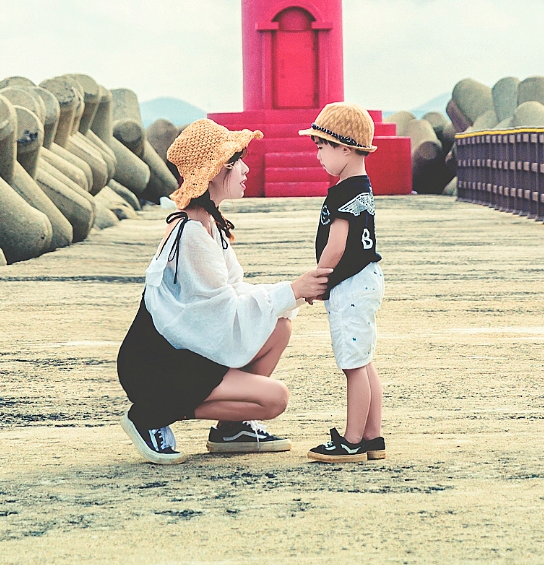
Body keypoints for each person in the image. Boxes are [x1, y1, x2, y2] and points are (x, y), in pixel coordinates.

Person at [116, 118, 332, 463]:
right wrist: (292, 290)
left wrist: (291, 294)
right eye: (235, 162)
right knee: (275, 399)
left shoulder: (208, 224)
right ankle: (150, 414)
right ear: (214, 172)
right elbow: (223, 315)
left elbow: (230, 296)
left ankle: (230, 428)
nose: (245, 169)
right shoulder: (190, 235)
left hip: (186, 350)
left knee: (280, 326)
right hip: (156, 367)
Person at [299, 103, 387, 464]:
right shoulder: (361, 187)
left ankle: (351, 441)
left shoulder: (342, 194)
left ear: (345, 149)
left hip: (350, 285)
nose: (318, 154)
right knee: (364, 361)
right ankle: (372, 436)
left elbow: (336, 246)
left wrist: (318, 280)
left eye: (322, 146)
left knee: (352, 364)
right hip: (366, 279)